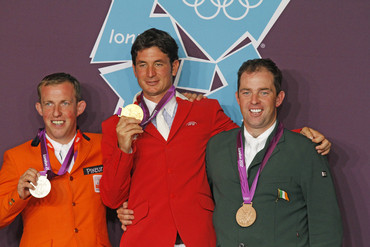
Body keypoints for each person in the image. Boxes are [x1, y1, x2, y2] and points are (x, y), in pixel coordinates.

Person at [100, 28, 331, 247]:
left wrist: (300, 137)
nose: (150, 73)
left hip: (200, 235)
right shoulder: (115, 127)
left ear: (174, 66)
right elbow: (111, 199)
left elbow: (249, 139)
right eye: (143, 65)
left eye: (158, 64)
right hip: (146, 237)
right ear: (134, 69)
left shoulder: (204, 111)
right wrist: (124, 148)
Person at [205, 58, 342, 246]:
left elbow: (325, 225)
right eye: (247, 92)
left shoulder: (305, 150)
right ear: (237, 98)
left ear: (279, 98)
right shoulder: (216, 148)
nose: (254, 101)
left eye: (264, 92)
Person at [0, 73, 111, 246]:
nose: (56, 113)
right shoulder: (17, 157)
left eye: (64, 103)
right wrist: (19, 195)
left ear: (79, 107)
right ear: (40, 108)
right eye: (49, 104)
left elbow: (124, 189)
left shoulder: (103, 146)